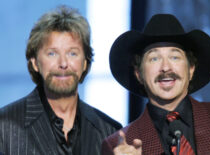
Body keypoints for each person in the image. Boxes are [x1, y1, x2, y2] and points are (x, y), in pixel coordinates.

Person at [101, 14, 210, 155]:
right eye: (154, 58)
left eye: (174, 57)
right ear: (139, 73)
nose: (165, 67)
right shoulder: (118, 145)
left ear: (191, 68)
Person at [0, 5, 122, 155]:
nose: (63, 63)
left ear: (84, 63)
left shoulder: (110, 131)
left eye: (72, 53)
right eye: (52, 54)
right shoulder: (5, 125)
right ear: (35, 63)